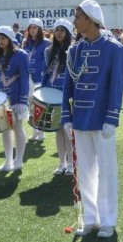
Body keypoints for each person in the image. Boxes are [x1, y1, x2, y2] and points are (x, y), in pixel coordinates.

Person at [62, 0, 123, 238]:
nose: (74, 22)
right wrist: (66, 115)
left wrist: (112, 118)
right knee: (86, 170)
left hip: (102, 120)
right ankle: (91, 218)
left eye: (78, 17)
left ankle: (108, 220)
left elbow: (116, 86)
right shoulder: (75, 50)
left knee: (107, 171)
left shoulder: (114, 48)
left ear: (89, 19)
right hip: (80, 118)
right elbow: (68, 84)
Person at [0, 26, 30, 171]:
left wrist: (22, 101)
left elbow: (24, 79)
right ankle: (8, 161)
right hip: (1, 100)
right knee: (5, 129)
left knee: (17, 128)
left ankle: (18, 160)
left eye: (3, 38)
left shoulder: (21, 55)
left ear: (9, 39)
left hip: (16, 98)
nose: (0, 41)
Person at [42, 19, 74, 175]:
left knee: (68, 129)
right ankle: (62, 162)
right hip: (53, 93)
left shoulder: (74, 49)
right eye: (57, 30)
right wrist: (42, 91)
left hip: (67, 94)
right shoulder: (49, 51)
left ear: (68, 32)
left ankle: (72, 164)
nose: (59, 33)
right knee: (58, 130)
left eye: (62, 30)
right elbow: (46, 73)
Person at [23, 18, 52, 141]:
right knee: (30, 105)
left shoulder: (46, 43)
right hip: (28, 78)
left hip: (40, 79)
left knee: (39, 106)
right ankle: (34, 131)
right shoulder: (26, 42)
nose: (32, 30)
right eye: (31, 27)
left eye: (35, 27)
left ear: (40, 29)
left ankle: (41, 132)